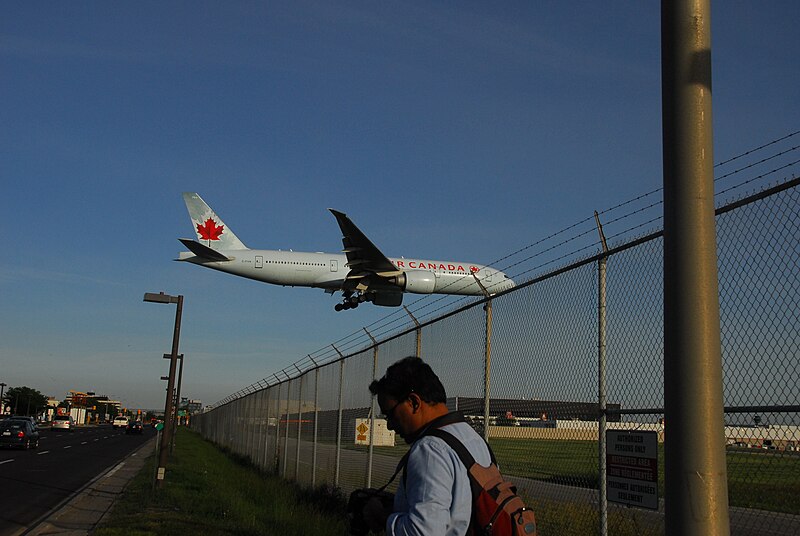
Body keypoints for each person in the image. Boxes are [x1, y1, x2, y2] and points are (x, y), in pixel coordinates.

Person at [362, 356, 491, 535]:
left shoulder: (430, 450)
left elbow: (423, 531)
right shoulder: (475, 440)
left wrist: (382, 517)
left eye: (390, 414)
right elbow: (457, 512)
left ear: (414, 402)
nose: (390, 425)